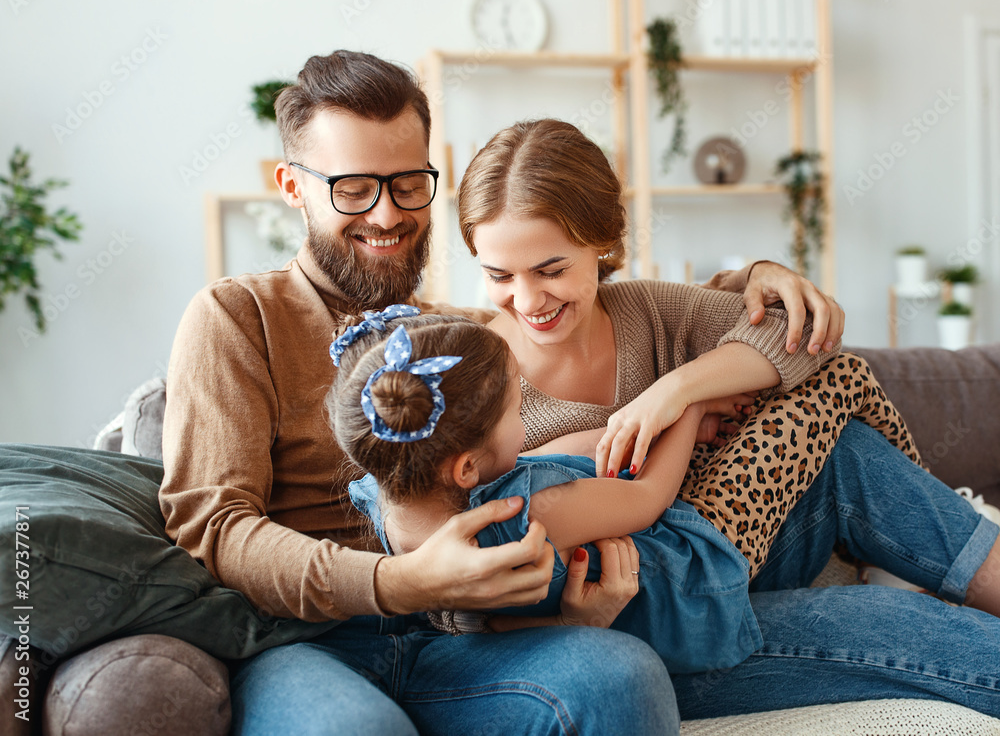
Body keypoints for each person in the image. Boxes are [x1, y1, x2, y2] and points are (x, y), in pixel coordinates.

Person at [159, 50, 833, 735]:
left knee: (619, 676)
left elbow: (603, 316)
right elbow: (212, 526)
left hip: (463, 640)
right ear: (292, 186)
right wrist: (399, 583)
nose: (388, 215)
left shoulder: (462, 336)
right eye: (354, 188)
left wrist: (755, 275)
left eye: (407, 184)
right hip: (308, 643)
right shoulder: (237, 316)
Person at [451, 117, 1000, 716]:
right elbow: (456, 590)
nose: (528, 300)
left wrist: (675, 388)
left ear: (602, 242)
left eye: (552, 270)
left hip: (720, 556)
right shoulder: (473, 378)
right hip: (657, 628)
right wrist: (572, 622)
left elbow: (806, 335)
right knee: (911, 629)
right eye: (499, 276)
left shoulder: (644, 310)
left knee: (847, 452)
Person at [330, 310, 930, 674]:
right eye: (519, 409)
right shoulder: (529, 510)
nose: (528, 419)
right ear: (464, 468)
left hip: (661, 559)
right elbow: (648, 499)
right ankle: (905, 544)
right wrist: (688, 406)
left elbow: (556, 456)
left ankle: (891, 543)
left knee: (808, 419)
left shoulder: (396, 505)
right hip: (702, 554)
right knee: (839, 375)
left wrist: (646, 424)